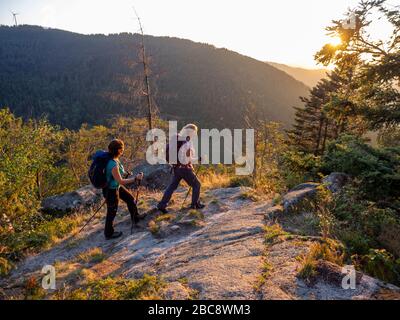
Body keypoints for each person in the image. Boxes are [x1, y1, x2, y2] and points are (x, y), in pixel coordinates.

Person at [157, 124, 205, 213]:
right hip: (184, 168)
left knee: (172, 186)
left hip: (176, 168)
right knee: (197, 185)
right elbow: (187, 158)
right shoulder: (186, 141)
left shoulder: (178, 138)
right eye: (194, 132)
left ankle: (162, 205)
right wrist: (198, 159)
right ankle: (195, 205)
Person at [103, 139, 143, 240]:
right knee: (112, 211)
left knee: (130, 199)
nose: (123, 151)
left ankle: (136, 217)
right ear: (119, 150)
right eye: (122, 149)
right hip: (111, 190)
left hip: (116, 187)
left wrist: (126, 174)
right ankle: (109, 233)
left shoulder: (114, 158)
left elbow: (119, 175)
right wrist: (135, 179)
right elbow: (120, 181)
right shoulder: (112, 164)